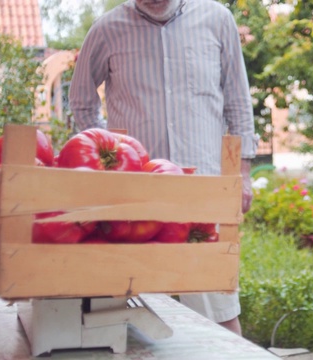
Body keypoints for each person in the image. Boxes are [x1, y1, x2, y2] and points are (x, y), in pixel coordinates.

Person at [68, 0, 257, 335]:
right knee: (133, 308)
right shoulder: (107, 29)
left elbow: (238, 101)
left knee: (217, 309)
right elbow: (82, 100)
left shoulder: (217, 19)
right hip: (134, 198)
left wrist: (242, 174)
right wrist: (105, 158)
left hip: (202, 190)